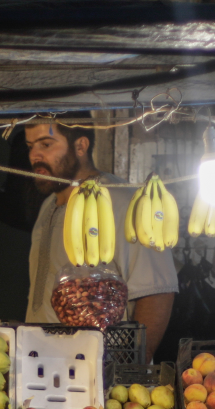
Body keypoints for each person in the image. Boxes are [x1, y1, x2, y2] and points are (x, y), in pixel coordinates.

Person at [23, 117, 176, 362]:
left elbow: (158, 291)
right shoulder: (47, 207)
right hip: (43, 362)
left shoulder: (124, 202)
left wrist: (134, 365)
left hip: (100, 366)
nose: (35, 156)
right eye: (31, 146)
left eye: (46, 144)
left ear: (81, 146)